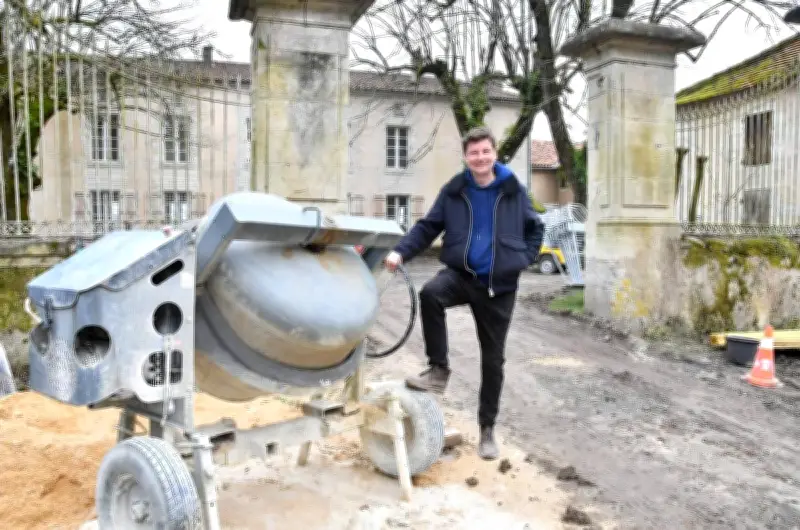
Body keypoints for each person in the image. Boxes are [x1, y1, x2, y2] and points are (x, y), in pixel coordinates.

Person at [384, 126, 545, 460]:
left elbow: (535, 228)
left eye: (485, 151)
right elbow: (428, 226)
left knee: (492, 359)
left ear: (494, 153)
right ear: (466, 157)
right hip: (463, 275)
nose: (480, 158)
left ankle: (487, 429)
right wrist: (401, 251)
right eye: (474, 153)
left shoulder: (513, 190)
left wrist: (523, 259)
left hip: (498, 287)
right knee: (431, 294)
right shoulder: (455, 191)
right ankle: (438, 369)